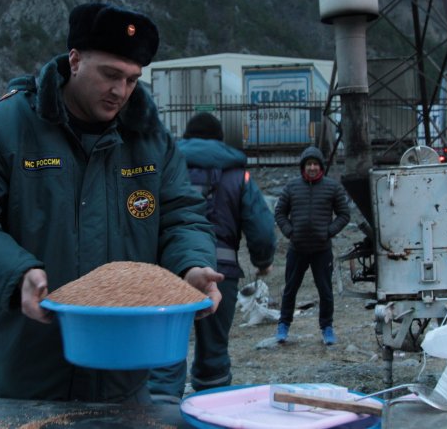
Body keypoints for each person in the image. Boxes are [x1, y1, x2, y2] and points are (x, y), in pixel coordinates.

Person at [0, 2, 223, 403]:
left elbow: (182, 217)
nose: (120, 91)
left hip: (124, 376)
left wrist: (191, 266)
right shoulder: (3, 128)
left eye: (132, 80)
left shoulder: (150, 140)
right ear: (75, 60)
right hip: (25, 374)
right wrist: (19, 275)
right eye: (110, 75)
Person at [148, 113, 276, 401]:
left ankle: (161, 413)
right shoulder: (237, 175)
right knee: (213, 351)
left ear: (188, 137)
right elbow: (261, 226)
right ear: (219, 140)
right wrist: (262, 260)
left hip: (167, 272)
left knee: (164, 351)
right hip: (220, 273)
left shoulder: (164, 166)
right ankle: (211, 409)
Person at [274, 146, 350, 346]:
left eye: (315, 164)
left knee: (325, 291)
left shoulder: (332, 187)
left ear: (321, 167)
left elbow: (344, 214)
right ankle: (283, 325)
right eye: (309, 164)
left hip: (321, 251)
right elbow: (280, 213)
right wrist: (290, 232)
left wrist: (328, 231)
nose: (312, 168)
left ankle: (327, 328)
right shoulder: (292, 187)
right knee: (290, 289)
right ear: (303, 167)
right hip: (297, 249)